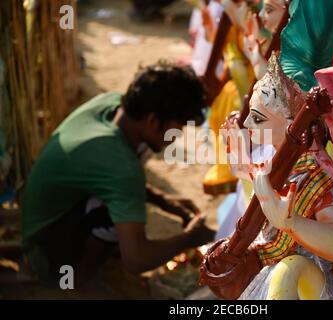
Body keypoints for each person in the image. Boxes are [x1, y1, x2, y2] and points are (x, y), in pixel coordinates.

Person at [21, 60, 215, 287]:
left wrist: (164, 201)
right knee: (115, 215)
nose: (178, 136)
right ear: (153, 120)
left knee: (132, 174)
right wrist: (189, 239)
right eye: (178, 127)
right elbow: (137, 260)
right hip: (43, 254)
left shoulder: (114, 105)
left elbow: (107, 172)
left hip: (43, 222)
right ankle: (80, 280)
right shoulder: (121, 166)